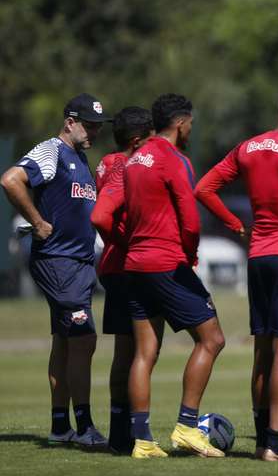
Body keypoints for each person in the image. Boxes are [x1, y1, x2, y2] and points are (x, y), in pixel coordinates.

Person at [194, 80, 278, 462]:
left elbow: (204, 188)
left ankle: (260, 441)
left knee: (263, 352)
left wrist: (233, 223)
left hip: (258, 256)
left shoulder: (248, 146)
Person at [1, 93, 110, 447]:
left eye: (98, 126)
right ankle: (85, 427)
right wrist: (37, 221)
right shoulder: (52, 151)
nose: (94, 131)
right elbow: (10, 180)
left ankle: (60, 427)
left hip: (78, 263)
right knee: (84, 338)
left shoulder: (80, 157)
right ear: (69, 122)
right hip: (57, 261)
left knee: (65, 343)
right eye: (88, 125)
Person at [123, 93, 226, 459]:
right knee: (212, 340)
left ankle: (142, 441)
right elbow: (191, 216)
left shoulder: (135, 158)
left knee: (144, 352)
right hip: (166, 262)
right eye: (191, 124)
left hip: (134, 265)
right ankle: (186, 427)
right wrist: (191, 253)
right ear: (180, 123)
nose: (191, 130)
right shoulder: (173, 159)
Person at [90, 106, 155, 454]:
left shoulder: (106, 161)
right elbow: (101, 216)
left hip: (116, 267)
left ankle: (121, 433)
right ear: (137, 140)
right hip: (128, 266)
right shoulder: (124, 165)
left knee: (126, 353)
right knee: (139, 352)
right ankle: (132, 433)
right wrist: (124, 239)